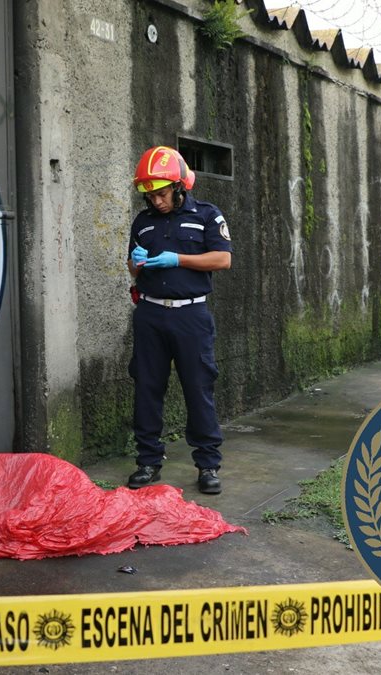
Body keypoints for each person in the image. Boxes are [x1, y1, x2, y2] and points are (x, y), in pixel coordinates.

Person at [125, 146, 232, 493]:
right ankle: (148, 461)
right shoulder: (143, 222)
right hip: (151, 313)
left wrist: (178, 259)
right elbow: (132, 266)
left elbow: (222, 260)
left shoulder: (207, 215)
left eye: (162, 193)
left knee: (198, 388)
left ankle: (207, 464)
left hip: (191, 315)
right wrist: (136, 262)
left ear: (179, 187)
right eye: (151, 196)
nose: (157, 201)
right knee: (147, 387)